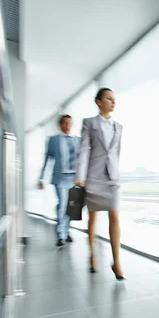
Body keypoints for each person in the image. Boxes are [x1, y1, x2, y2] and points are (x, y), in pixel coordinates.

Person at [75, 88, 125, 280]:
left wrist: (116, 171)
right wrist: (81, 175)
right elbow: (84, 149)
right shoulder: (89, 123)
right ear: (98, 101)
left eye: (114, 99)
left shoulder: (118, 127)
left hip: (111, 177)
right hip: (93, 176)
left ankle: (117, 262)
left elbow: (116, 153)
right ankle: (92, 254)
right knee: (93, 218)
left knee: (115, 215)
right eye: (109, 98)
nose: (113, 101)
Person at [39, 114, 80, 247]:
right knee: (62, 205)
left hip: (73, 178)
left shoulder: (77, 140)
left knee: (71, 207)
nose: (68, 125)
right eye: (66, 123)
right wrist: (41, 177)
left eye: (70, 123)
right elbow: (47, 158)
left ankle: (66, 231)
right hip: (60, 178)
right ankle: (60, 235)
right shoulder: (53, 140)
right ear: (60, 125)